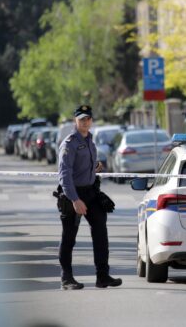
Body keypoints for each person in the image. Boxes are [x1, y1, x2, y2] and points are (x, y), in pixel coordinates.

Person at [57, 105, 122, 290]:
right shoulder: (69, 143)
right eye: (81, 119)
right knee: (69, 236)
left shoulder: (90, 141)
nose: (85, 122)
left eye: (88, 119)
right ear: (75, 121)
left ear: (91, 121)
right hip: (73, 194)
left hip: (90, 192)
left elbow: (82, 167)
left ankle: (102, 276)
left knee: (101, 230)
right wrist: (74, 199)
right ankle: (66, 278)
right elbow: (64, 175)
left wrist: (94, 168)